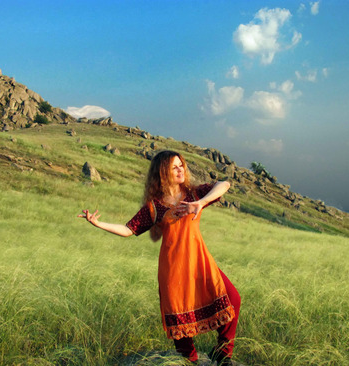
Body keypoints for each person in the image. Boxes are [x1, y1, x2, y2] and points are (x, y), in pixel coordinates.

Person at [78, 150, 241, 365]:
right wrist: (98, 223)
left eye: (181, 165)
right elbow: (129, 229)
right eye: (174, 167)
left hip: (200, 261)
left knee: (232, 299)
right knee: (178, 314)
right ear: (163, 172)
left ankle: (222, 352)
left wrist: (201, 203)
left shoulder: (193, 194)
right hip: (173, 268)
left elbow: (224, 184)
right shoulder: (154, 207)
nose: (180, 169)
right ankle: (188, 359)